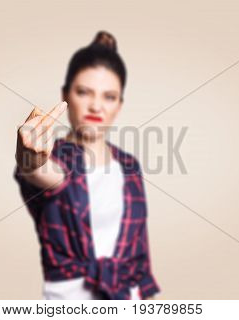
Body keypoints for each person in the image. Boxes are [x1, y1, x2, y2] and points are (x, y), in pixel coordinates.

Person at [14, 31, 160, 300]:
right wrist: (28, 154)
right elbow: (41, 172)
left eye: (109, 96)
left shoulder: (129, 166)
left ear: (119, 105)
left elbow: (139, 257)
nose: (95, 105)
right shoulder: (58, 159)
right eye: (84, 92)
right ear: (65, 95)